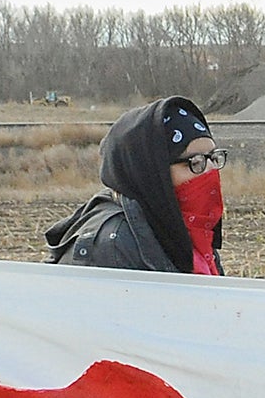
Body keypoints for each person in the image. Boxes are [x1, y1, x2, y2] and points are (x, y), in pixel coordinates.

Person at [45, 96, 226, 272]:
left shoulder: (186, 228)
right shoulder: (113, 246)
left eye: (213, 157)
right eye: (195, 162)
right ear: (152, 171)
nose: (210, 170)